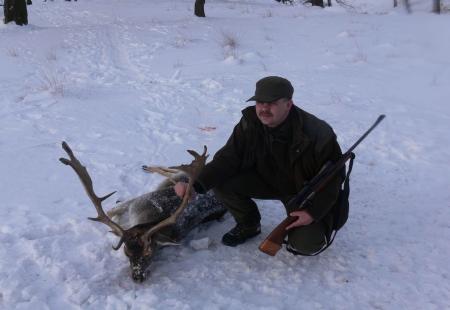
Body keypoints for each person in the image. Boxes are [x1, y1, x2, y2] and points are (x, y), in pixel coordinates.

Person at [175, 76, 343, 255]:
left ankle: (302, 231)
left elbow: (334, 178)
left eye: (271, 103)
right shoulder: (250, 122)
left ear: (288, 104)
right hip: (266, 179)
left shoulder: (318, 134)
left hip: (302, 193)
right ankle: (249, 224)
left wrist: (313, 212)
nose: (263, 108)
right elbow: (228, 158)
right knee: (221, 181)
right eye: (260, 102)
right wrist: (195, 184)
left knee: (307, 244)